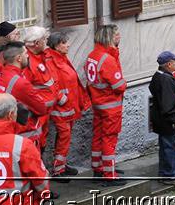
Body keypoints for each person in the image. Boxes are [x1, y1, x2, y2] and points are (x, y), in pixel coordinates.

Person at [45, 31, 90, 180]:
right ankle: (58, 170)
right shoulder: (51, 60)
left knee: (65, 136)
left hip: (68, 105)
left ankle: (61, 165)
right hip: (61, 107)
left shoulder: (61, 57)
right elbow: (50, 82)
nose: (68, 45)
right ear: (56, 46)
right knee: (64, 136)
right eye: (64, 43)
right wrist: (60, 97)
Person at [85, 24, 125, 184]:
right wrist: (124, 82)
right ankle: (110, 174)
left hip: (98, 104)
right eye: (116, 35)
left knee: (98, 136)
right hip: (110, 106)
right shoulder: (107, 59)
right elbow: (119, 86)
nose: (119, 37)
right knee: (109, 139)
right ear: (109, 37)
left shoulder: (92, 55)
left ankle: (98, 168)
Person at [0, 41, 48, 147]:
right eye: (25, 54)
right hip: (25, 137)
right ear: (19, 58)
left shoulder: (1, 75)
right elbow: (42, 108)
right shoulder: (20, 83)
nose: (28, 56)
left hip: (9, 133)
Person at [149, 51, 175, 186]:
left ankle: (165, 174)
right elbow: (168, 104)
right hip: (168, 122)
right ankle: (169, 176)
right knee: (171, 148)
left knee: (166, 147)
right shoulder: (166, 79)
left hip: (161, 121)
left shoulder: (158, 76)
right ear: (169, 64)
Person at [21, 25, 58, 153]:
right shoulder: (27, 62)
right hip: (36, 116)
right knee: (37, 148)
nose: (46, 42)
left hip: (44, 114)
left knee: (42, 143)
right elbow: (25, 91)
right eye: (44, 39)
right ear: (36, 43)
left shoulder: (40, 57)